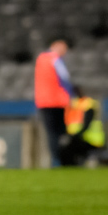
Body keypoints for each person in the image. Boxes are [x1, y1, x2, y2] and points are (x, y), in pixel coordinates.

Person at [34, 37, 74, 167]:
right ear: (55, 45)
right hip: (57, 102)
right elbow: (64, 79)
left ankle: (56, 159)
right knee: (59, 132)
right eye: (63, 47)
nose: (64, 51)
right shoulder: (55, 59)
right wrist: (70, 96)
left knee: (51, 133)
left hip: (43, 102)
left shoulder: (40, 59)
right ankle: (61, 160)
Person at [63, 87, 106, 166]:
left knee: (67, 146)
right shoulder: (72, 105)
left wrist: (74, 135)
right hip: (79, 138)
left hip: (91, 140)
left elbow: (86, 125)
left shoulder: (88, 104)